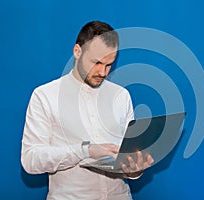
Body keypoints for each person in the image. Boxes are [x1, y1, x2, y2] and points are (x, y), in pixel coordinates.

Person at [21, 21, 154, 200]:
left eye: (109, 64)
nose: (103, 72)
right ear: (77, 51)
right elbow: (31, 160)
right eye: (97, 62)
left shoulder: (121, 95)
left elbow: (124, 157)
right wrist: (85, 150)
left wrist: (134, 170)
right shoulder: (45, 95)